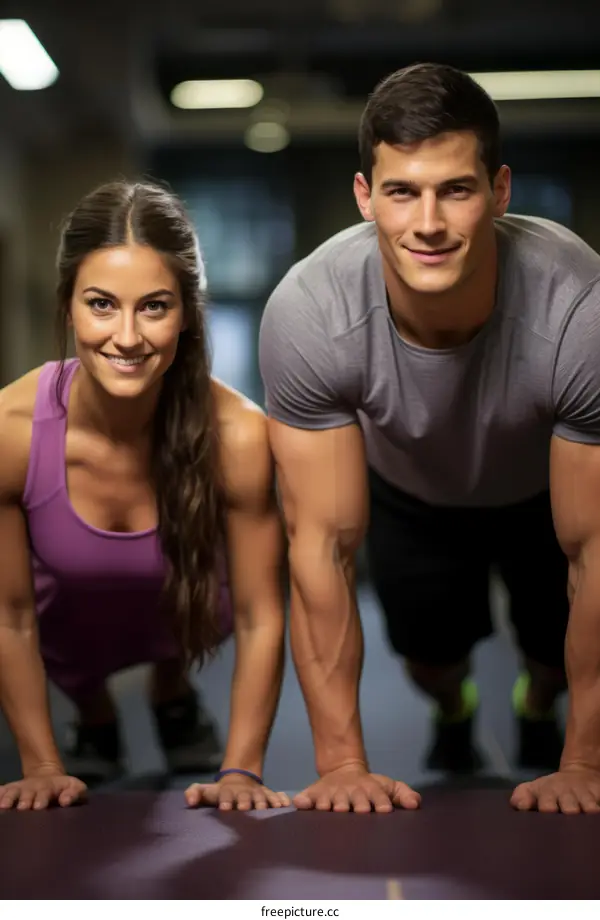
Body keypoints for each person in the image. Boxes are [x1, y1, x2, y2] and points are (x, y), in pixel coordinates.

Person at [258, 61, 600, 816]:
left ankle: (538, 706)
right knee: (429, 661)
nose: (429, 223)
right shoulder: (311, 314)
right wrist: (342, 764)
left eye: (456, 189)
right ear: (364, 198)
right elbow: (320, 550)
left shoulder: (580, 307)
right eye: (401, 191)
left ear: (500, 191)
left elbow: (595, 555)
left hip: (541, 486)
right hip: (409, 487)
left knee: (551, 657)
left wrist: (586, 762)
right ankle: (456, 710)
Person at [0, 179, 289, 813]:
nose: (127, 337)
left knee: (187, 568)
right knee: (69, 586)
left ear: (186, 313)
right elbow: (12, 615)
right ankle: (94, 713)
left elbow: (260, 615)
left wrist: (242, 769)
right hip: (70, 628)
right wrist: (41, 765)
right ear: (68, 305)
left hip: (182, 611)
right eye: (101, 305)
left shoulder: (238, 434)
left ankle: (171, 692)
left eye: (154, 307)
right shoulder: (12, 431)